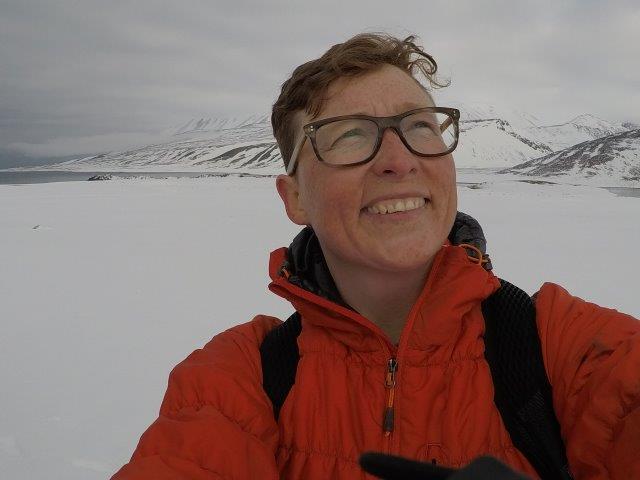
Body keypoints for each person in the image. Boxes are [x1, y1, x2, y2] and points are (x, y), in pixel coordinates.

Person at [112, 33, 640, 479]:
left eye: (419, 127)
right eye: (348, 135)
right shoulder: (237, 381)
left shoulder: (567, 350)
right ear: (293, 196)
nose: (399, 159)